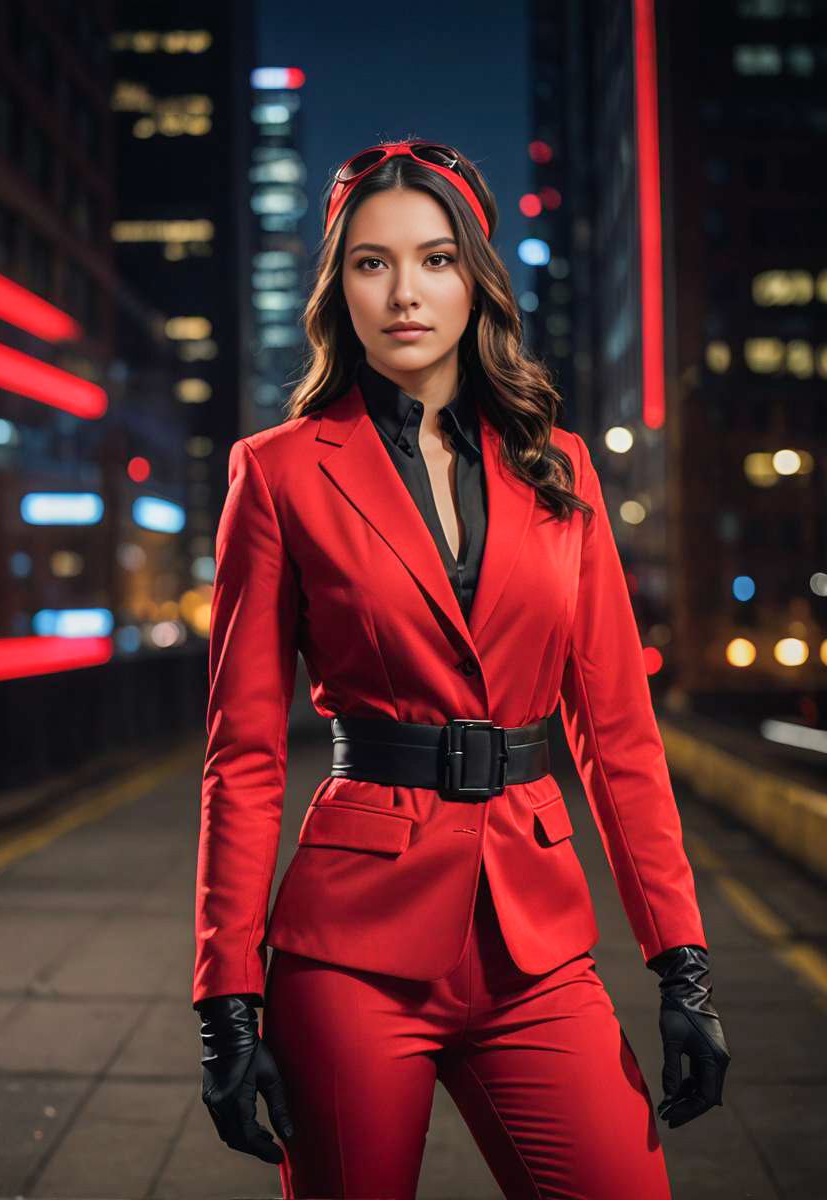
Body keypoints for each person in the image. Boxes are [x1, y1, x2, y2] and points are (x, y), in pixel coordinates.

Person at [191, 139, 731, 1200]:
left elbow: (615, 734)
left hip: (533, 949)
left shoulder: (559, 467)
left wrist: (681, 961)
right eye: (370, 262)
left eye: (434, 259)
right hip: (350, 949)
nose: (403, 293)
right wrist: (225, 999)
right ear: (336, 286)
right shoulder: (278, 471)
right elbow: (242, 754)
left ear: (475, 278)